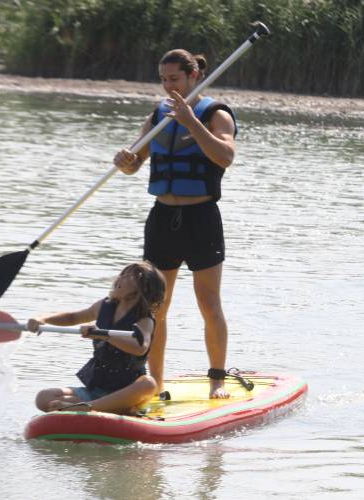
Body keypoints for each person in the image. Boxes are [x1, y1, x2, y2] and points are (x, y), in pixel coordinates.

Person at [113, 49, 238, 399]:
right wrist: (125, 160)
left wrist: (191, 122)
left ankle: (217, 380)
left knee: (208, 302)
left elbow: (225, 157)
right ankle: (156, 383)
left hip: (201, 219)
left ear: (194, 76)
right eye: (164, 80)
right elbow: (135, 163)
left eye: (175, 79)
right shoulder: (158, 116)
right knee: (154, 306)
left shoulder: (217, 114)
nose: (169, 87)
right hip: (162, 218)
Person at [31, 261, 166, 415]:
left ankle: (89, 407)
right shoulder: (103, 306)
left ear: (142, 289)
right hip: (97, 388)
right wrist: (43, 318)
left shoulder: (144, 320)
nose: (119, 279)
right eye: (122, 274)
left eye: (128, 277)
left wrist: (103, 334)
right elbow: (72, 317)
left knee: (148, 384)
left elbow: (140, 347)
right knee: (43, 397)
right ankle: (99, 406)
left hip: (126, 391)